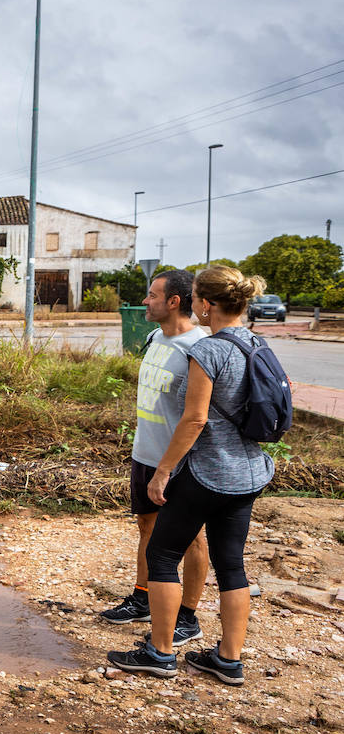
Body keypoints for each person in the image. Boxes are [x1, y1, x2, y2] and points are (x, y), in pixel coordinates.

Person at [108, 266, 275, 684]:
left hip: (202, 471)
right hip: (247, 472)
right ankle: (228, 661)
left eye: (199, 296)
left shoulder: (207, 349)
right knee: (233, 566)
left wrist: (164, 470)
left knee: (164, 555)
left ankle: (160, 652)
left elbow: (195, 418)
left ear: (205, 303)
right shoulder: (256, 342)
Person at [99, 270, 209, 646]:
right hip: (144, 453)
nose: (145, 302)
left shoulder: (199, 347)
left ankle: (188, 617)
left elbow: (202, 412)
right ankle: (142, 597)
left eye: (151, 295)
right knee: (147, 525)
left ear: (174, 301)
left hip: (179, 461)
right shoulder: (154, 337)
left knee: (192, 539)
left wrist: (172, 463)